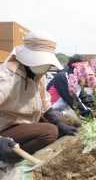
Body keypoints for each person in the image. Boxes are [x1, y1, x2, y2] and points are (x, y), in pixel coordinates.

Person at [0, 31, 76, 163]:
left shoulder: (38, 77)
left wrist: (58, 122)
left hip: (26, 124)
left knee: (67, 122)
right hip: (6, 128)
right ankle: (8, 158)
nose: (45, 67)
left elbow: (45, 104)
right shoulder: (7, 77)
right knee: (49, 132)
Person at [47, 55, 95, 122]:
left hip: (59, 112)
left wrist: (95, 107)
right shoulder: (62, 76)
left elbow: (84, 98)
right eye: (83, 68)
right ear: (74, 66)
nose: (85, 70)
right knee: (75, 122)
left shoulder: (77, 79)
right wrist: (89, 114)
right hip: (49, 113)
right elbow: (72, 100)